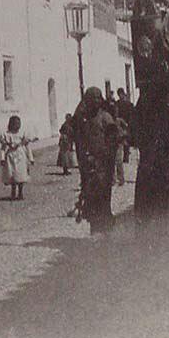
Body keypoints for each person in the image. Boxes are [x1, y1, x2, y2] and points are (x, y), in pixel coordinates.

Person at [72, 87, 119, 234]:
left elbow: (113, 140)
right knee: (90, 196)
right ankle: (95, 227)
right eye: (92, 99)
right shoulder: (83, 119)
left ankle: (105, 228)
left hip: (103, 165)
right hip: (88, 165)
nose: (95, 102)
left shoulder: (105, 118)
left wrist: (104, 156)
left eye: (98, 98)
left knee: (103, 195)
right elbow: (75, 132)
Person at [0, 116, 34, 201]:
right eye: (16, 123)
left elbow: (27, 147)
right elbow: (3, 148)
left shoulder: (22, 134)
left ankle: (20, 192)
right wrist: (2, 158)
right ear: (11, 124)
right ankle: (13, 191)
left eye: (19, 123)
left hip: (21, 156)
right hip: (10, 157)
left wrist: (31, 158)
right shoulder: (6, 135)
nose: (18, 125)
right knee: (12, 174)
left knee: (21, 174)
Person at [116, 88, 134, 163]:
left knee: (126, 140)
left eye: (121, 94)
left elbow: (131, 114)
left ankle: (126, 157)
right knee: (121, 140)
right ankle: (123, 157)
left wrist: (129, 123)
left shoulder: (128, 104)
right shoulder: (117, 104)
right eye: (119, 94)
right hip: (121, 123)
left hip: (127, 123)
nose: (121, 96)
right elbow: (116, 113)